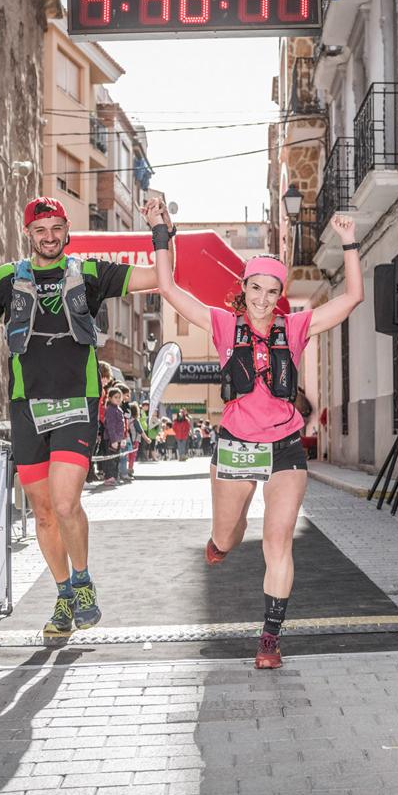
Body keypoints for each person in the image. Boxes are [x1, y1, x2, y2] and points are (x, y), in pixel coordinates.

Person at [0, 196, 164, 635]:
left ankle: (82, 579)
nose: (49, 236)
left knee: (65, 502)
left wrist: (159, 233)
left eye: (56, 227)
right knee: (42, 513)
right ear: (29, 234)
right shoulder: (6, 278)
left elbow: (158, 277)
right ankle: (62, 596)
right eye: (41, 230)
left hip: (77, 403)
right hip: (27, 407)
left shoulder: (91, 273)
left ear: (66, 230)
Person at [147, 197, 362, 668]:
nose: (263, 299)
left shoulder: (296, 326)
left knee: (277, 540)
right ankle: (221, 542)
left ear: (280, 293)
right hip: (237, 446)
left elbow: (350, 300)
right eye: (256, 289)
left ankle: (270, 637)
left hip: (284, 445)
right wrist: (162, 232)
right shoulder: (225, 324)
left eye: (272, 291)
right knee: (228, 535)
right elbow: (168, 288)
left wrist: (350, 243)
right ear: (242, 289)